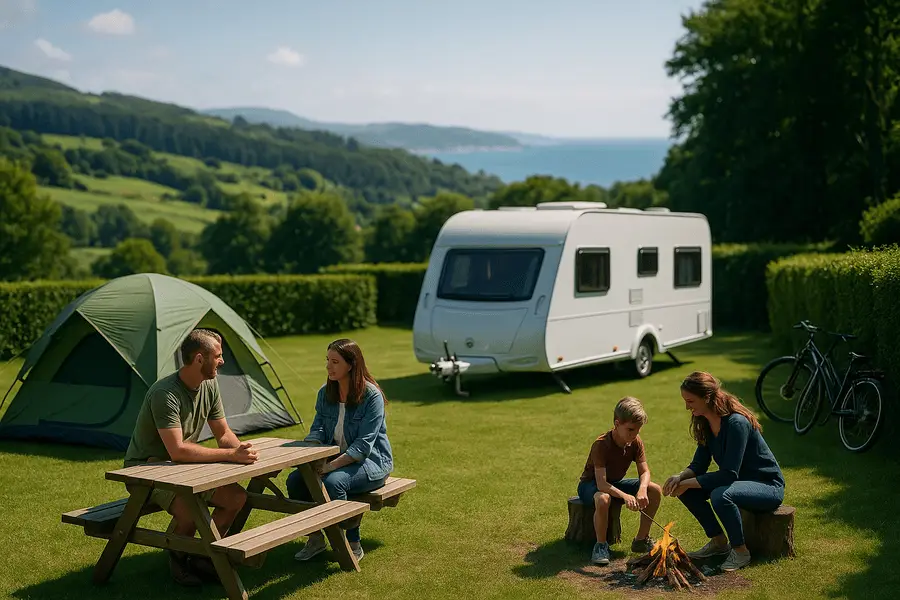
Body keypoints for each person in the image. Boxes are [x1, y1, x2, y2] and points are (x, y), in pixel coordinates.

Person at [123, 328, 259, 586]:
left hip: (181, 470)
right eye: (217, 356)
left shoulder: (209, 384)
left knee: (236, 498)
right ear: (199, 358)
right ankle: (178, 559)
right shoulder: (165, 394)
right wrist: (230, 455)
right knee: (189, 512)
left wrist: (243, 450)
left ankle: (204, 558)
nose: (222, 361)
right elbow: (178, 450)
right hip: (145, 471)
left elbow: (224, 433)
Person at [663, 371, 786, 572]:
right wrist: (680, 478)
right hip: (739, 484)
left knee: (720, 495)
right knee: (687, 490)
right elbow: (698, 465)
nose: (687, 406)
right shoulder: (705, 422)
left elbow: (729, 474)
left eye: (691, 401)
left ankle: (740, 552)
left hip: (767, 487)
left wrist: (688, 483)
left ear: (707, 397)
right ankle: (719, 544)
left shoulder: (737, 423)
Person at [288, 338, 394, 563]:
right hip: (334, 459)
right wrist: (312, 455)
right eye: (327, 360)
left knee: (334, 482)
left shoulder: (371, 396)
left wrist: (329, 466)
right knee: (296, 481)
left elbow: (364, 445)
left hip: (371, 461)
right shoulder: (325, 393)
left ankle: (353, 541)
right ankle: (315, 538)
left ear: (351, 364)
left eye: (335, 361)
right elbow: (317, 429)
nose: (328, 366)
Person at [577, 396, 662, 566]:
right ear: (617, 424)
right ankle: (601, 545)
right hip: (591, 486)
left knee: (654, 489)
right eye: (630, 430)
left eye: (638, 430)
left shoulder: (635, 441)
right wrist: (625, 496)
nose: (634, 434)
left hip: (613, 484)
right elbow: (601, 485)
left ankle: (641, 539)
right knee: (603, 498)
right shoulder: (601, 445)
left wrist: (642, 489)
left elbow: (644, 471)